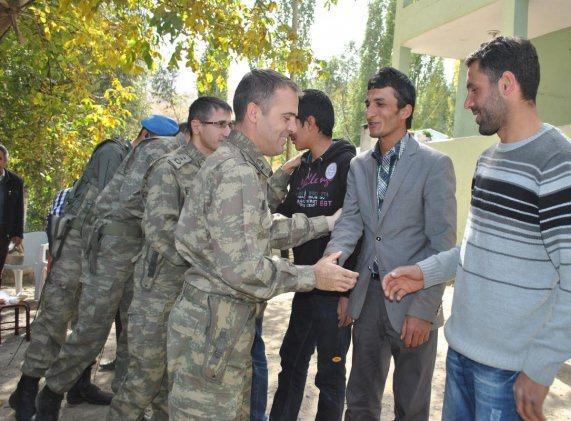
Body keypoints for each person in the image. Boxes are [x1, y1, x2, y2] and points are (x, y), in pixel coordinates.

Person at [382, 37, 571, 421]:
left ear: (507, 84)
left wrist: (541, 365)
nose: (467, 102)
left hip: (508, 373)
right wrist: (424, 273)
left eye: (474, 89)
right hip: (461, 355)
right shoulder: (488, 160)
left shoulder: (558, 163)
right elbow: (477, 251)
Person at [167, 69, 358, 420]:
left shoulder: (239, 166)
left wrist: (325, 223)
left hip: (219, 329)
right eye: (286, 117)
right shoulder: (237, 173)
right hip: (213, 334)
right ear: (254, 113)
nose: (292, 127)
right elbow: (243, 269)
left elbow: (260, 231)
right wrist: (313, 276)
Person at [324, 67, 456, 420]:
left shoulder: (434, 165)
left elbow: (443, 245)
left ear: (405, 111)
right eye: (368, 104)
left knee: (411, 407)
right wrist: (334, 271)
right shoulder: (359, 166)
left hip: (414, 300)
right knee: (360, 402)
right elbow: (350, 223)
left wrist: (424, 309)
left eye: (380, 104)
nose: (370, 112)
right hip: (367, 300)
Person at [33, 115, 182, 420]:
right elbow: (122, 205)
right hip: (111, 252)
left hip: (137, 254)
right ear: (146, 136)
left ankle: (126, 404)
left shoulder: (161, 155)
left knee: (132, 334)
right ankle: (51, 392)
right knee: (93, 327)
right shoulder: (130, 153)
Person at [107, 97, 233, 420]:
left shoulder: (218, 172)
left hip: (192, 296)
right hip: (158, 294)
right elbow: (159, 230)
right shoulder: (170, 168)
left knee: (175, 386)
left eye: (229, 125)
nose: (227, 132)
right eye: (220, 124)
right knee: (143, 382)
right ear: (196, 126)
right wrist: (206, 263)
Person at [10, 137, 129, 421]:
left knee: (89, 322)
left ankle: (79, 385)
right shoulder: (113, 152)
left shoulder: (132, 157)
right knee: (55, 316)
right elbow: (110, 205)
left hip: (100, 249)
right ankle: (27, 388)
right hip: (77, 246)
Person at [269, 89, 359, 421]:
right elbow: (281, 212)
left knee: (330, 376)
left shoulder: (349, 164)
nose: (289, 129)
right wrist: (285, 170)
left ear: (311, 122)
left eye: (293, 120)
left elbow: (357, 228)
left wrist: (348, 294)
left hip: (334, 291)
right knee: (291, 363)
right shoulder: (302, 168)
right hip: (305, 283)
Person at [0, 144, 24, 285]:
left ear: (5, 161)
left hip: (4, 232)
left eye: (0, 158)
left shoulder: (15, 181)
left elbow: (19, 209)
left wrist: (18, 233)